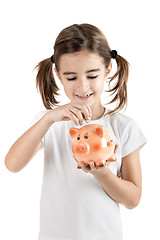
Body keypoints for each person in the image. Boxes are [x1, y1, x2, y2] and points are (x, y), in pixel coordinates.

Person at [5, 23, 147, 240]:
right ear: (58, 75)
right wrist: (49, 118)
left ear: (107, 70)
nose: (82, 87)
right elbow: (12, 165)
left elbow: (133, 199)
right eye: (71, 77)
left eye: (92, 75)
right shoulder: (50, 124)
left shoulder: (123, 127)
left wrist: (102, 173)